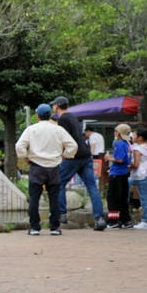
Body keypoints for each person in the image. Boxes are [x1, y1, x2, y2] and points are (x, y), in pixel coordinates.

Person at [15, 102, 77, 235]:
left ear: (37, 115)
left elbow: (19, 146)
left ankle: (34, 227)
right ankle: (55, 227)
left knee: (34, 198)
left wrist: (25, 157)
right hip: (54, 167)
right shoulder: (58, 129)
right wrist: (64, 156)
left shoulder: (31, 129)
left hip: (36, 167)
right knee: (54, 198)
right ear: (50, 115)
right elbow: (73, 145)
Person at [51, 97, 107, 231]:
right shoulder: (73, 117)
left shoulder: (63, 119)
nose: (53, 107)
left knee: (59, 182)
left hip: (73, 155)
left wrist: (63, 154)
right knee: (92, 187)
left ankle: (62, 214)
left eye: (53, 105)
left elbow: (64, 138)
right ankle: (99, 219)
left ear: (57, 106)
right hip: (85, 155)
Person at [104, 123, 134, 229]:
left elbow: (120, 159)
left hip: (116, 173)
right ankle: (125, 220)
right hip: (124, 173)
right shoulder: (127, 143)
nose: (115, 133)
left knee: (113, 198)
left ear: (119, 133)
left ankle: (113, 221)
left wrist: (109, 158)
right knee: (122, 198)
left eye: (116, 131)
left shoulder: (119, 144)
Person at [128, 128, 147, 229]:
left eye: (134, 135)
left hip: (139, 175)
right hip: (145, 174)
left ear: (140, 138)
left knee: (144, 198)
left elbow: (135, 164)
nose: (132, 136)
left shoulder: (138, 149)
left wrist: (127, 167)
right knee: (145, 198)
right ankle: (146, 220)